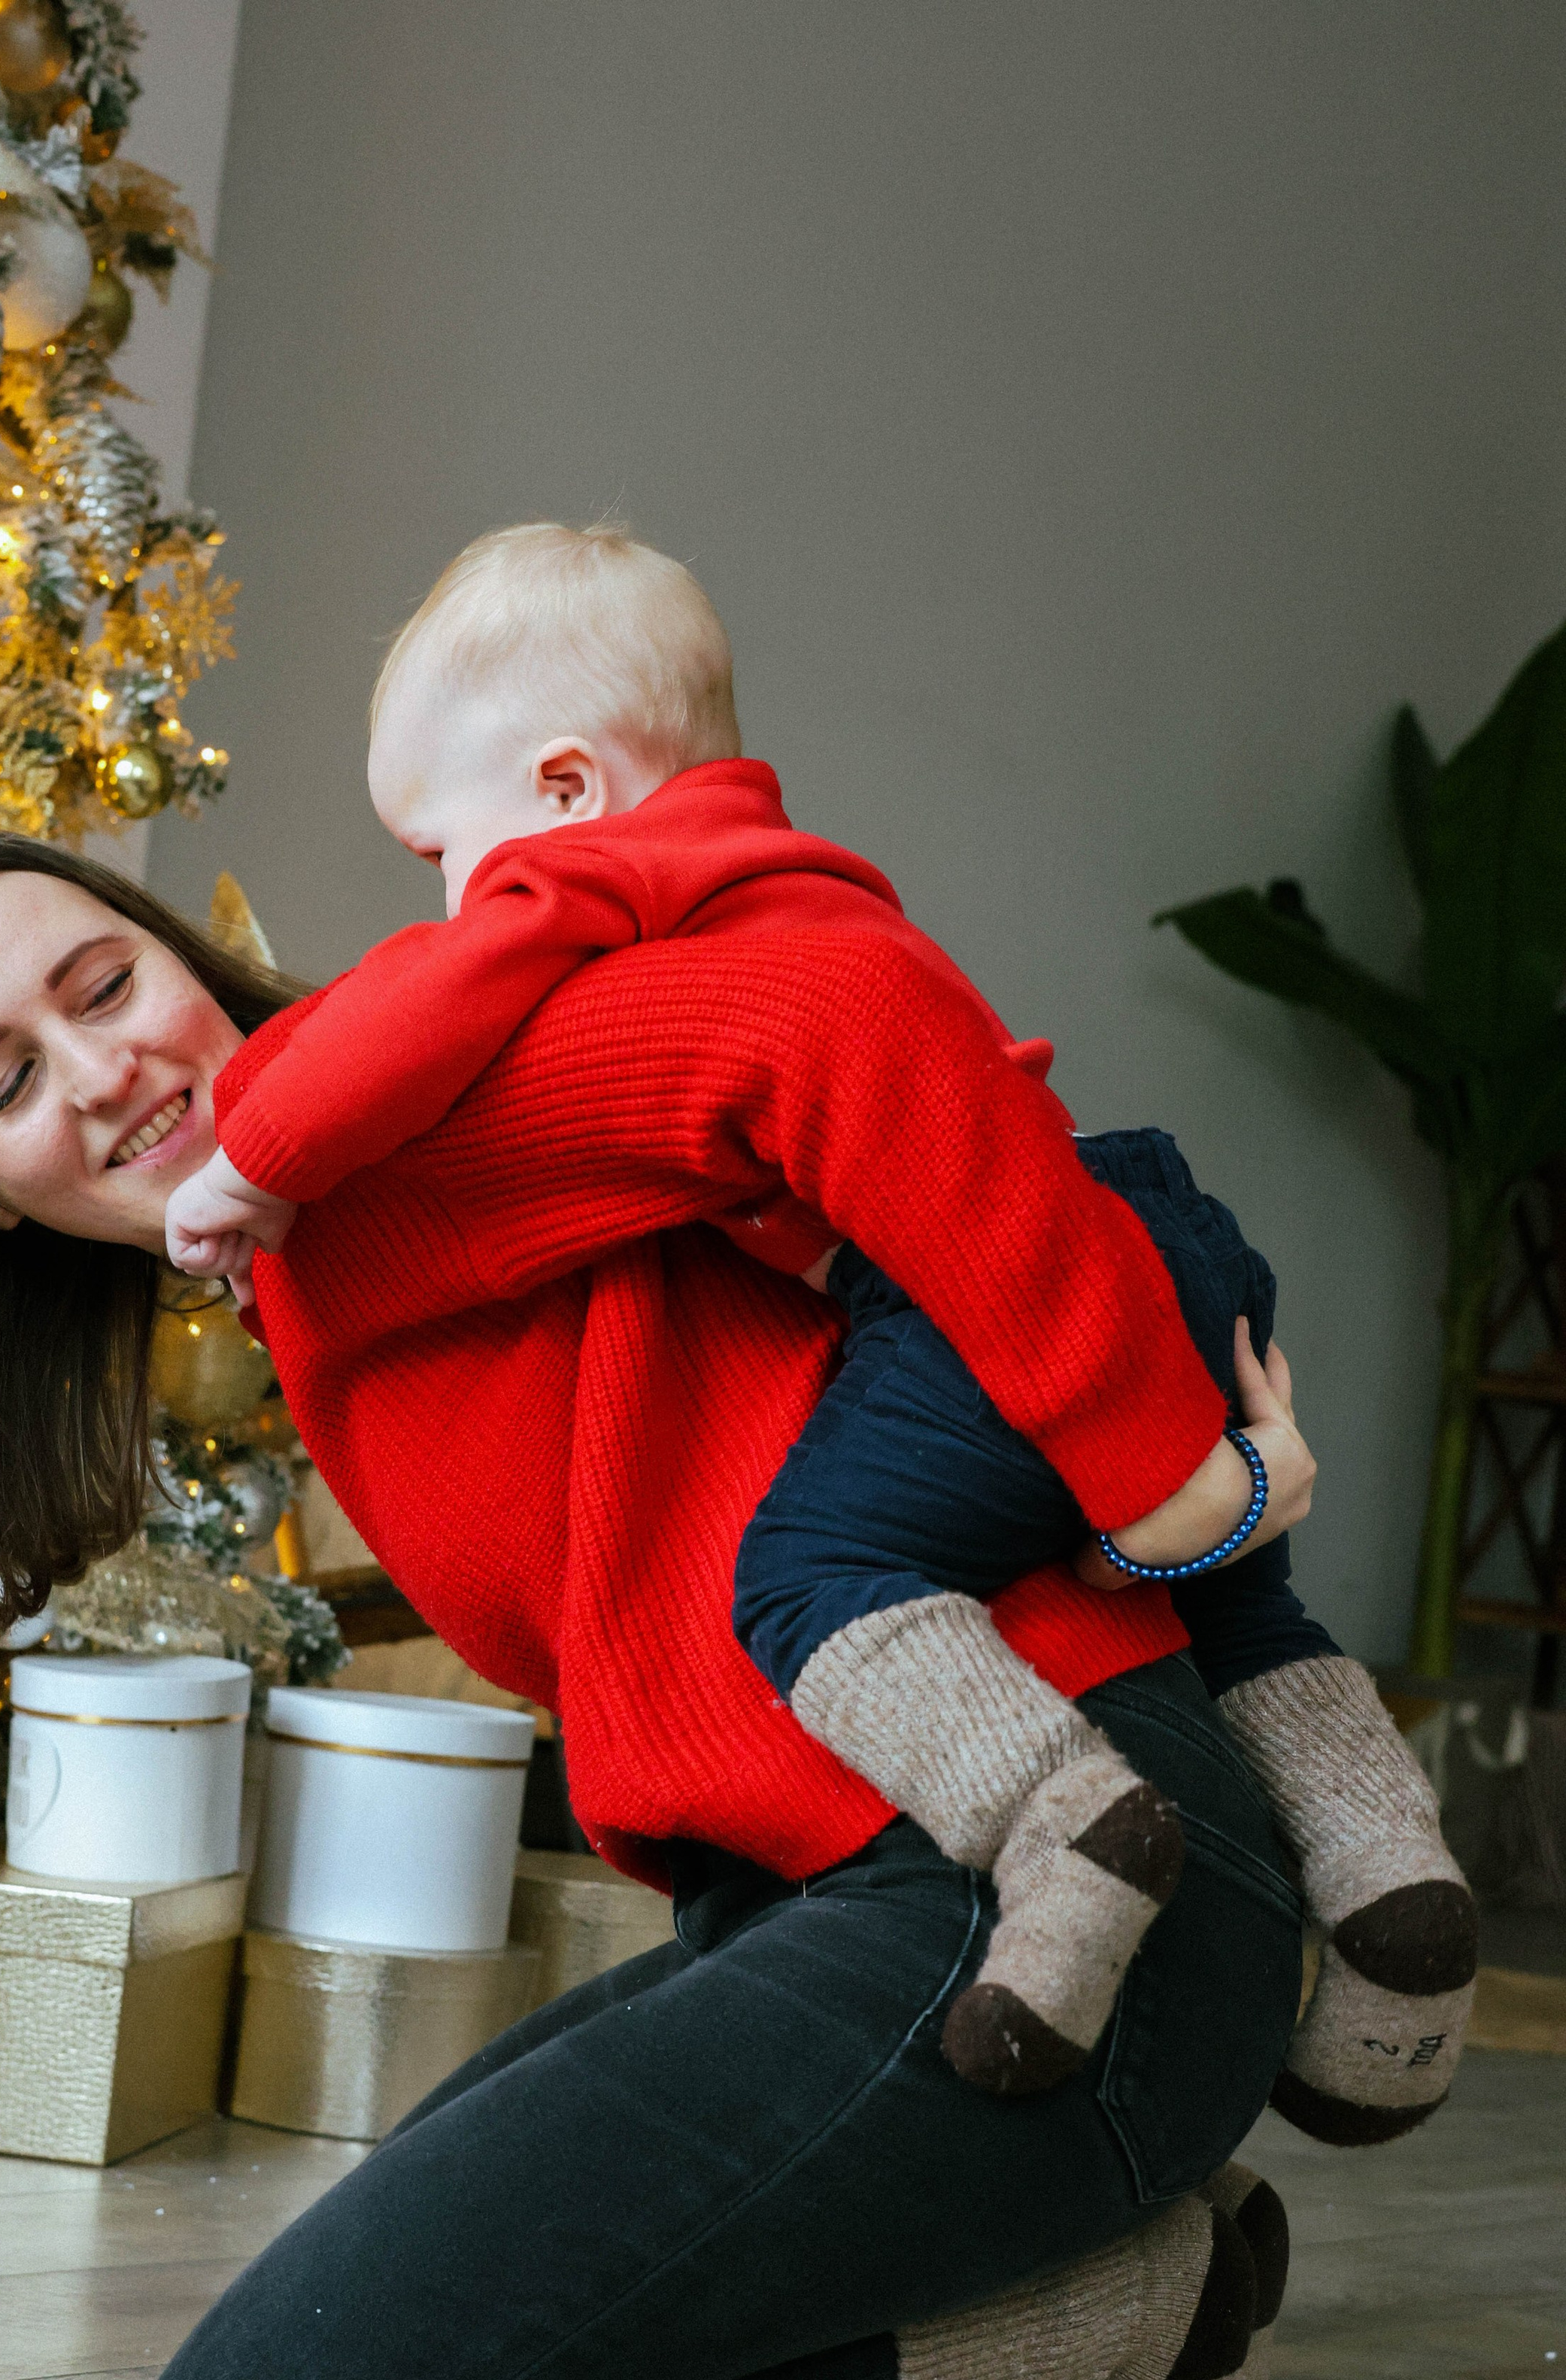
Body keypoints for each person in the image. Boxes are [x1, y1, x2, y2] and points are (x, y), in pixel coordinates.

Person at [0, 828, 1303, 2380]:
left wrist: (1194, 1485)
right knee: (401, 2344)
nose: (105, 1071)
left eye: (103, 986)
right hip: (861, 1905)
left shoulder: (420, 1115)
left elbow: (846, 1017)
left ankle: (1116, 2317)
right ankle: (1133, 2258)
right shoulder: (307, 1250)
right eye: (5, 1083)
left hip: (1062, 1884)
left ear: (182, 959)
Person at [165, 522, 1475, 2143]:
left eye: (441, 853)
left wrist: (253, 1160)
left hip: (982, 1269)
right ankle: (1393, 1901)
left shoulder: (584, 884)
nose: (446, 899)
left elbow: (415, 1010)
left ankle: (1059, 1827)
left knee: (812, 1579)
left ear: (567, 791)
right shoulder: (776, 876)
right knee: (1236, 1612)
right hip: (1129, 1204)